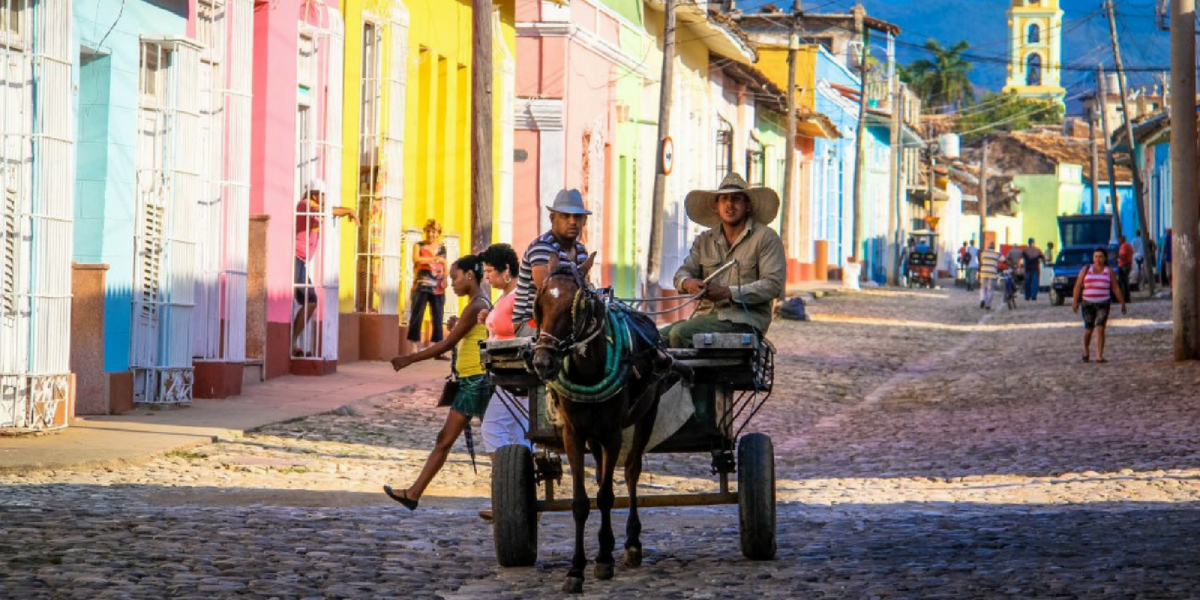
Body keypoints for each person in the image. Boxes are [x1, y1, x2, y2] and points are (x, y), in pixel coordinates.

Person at [384, 255, 492, 510]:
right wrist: (458, 326)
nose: (451, 283)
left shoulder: (478, 304)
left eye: (454, 277)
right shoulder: (476, 304)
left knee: (472, 442)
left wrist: (409, 358)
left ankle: (507, 498)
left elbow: (446, 344)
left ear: (469, 275)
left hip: (475, 381)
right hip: (471, 379)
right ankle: (413, 494)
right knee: (454, 440)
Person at [663, 172, 786, 348]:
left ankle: (690, 376)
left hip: (745, 320)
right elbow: (683, 272)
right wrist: (687, 282)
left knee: (680, 334)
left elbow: (773, 285)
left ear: (747, 206)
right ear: (717, 206)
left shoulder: (766, 238)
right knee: (653, 339)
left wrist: (728, 292)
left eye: (736, 199)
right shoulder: (704, 240)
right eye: (724, 199)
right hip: (705, 318)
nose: (729, 204)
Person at [511, 189, 591, 336]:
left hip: (565, 320)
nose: (572, 222)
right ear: (552, 218)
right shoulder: (542, 247)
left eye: (577, 217)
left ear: (584, 221)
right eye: (565, 216)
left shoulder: (581, 250)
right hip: (532, 322)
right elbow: (552, 294)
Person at [477, 244, 530, 456]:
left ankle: (508, 478)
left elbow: (523, 330)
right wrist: (487, 319)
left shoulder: (519, 298)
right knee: (519, 431)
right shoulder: (506, 296)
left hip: (516, 374)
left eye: (490, 271)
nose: (487, 277)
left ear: (506, 270)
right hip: (505, 373)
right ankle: (518, 481)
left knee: (492, 428)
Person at [293, 179, 357, 356]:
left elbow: (328, 212)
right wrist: (349, 211)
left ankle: (293, 341)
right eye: (323, 196)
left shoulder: (314, 208)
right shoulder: (306, 204)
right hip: (295, 259)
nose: (324, 200)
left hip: (301, 261)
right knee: (307, 301)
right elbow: (327, 211)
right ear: (315, 195)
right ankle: (292, 342)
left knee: (310, 302)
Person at [1073, 247, 1127, 363]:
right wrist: (1075, 302)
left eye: (1100, 257)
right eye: (1096, 257)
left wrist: (1122, 302)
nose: (1098, 259)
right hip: (1087, 303)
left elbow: (1116, 288)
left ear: (1104, 258)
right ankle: (1086, 349)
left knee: (1101, 328)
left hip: (1103, 303)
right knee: (1089, 329)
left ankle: (1099, 355)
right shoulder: (1086, 270)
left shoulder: (1109, 271)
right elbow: (1077, 286)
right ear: (1093, 258)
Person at [406, 220, 448, 354]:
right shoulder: (419, 245)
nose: (431, 234)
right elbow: (416, 259)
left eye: (434, 232)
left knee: (438, 315)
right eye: (429, 231)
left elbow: (445, 264)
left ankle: (437, 348)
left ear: (438, 233)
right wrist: (434, 259)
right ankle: (414, 347)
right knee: (417, 314)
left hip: (438, 286)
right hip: (422, 284)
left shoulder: (442, 248)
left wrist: (446, 278)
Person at [978, 242, 1002, 310]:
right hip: (992, 273)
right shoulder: (996, 254)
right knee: (990, 290)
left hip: (983, 272)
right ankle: (988, 305)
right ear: (994, 247)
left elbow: (981, 261)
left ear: (988, 247)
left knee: (983, 288)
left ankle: (983, 299)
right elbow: (1004, 260)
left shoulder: (983, 253)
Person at [1117, 234, 1134, 302]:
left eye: (1119, 239)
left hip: (1124, 265)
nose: (1118, 241)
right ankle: (1127, 297)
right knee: (1125, 282)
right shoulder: (1129, 245)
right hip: (1128, 264)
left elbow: (1123, 257)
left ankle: (1125, 297)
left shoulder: (1123, 246)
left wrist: (1116, 257)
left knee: (1123, 282)